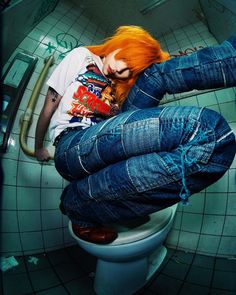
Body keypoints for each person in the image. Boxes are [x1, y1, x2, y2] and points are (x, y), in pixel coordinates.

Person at [35, 26, 236, 244]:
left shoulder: (119, 86)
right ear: (122, 44)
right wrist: (38, 147)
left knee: (154, 75)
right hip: (71, 145)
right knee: (211, 134)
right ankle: (79, 205)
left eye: (128, 72)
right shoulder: (82, 57)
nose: (119, 72)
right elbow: (48, 108)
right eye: (126, 62)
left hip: (104, 143)